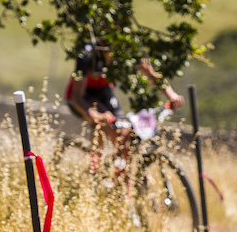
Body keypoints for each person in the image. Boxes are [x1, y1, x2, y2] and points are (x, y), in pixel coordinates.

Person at [65, 41, 184, 170]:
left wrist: (172, 95)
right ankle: (95, 170)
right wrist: (93, 114)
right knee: (102, 122)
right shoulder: (87, 54)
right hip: (81, 95)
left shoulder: (126, 47)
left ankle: (120, 179)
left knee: (123, 131)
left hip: (103, 91)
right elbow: (77, 96)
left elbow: (151, 74)